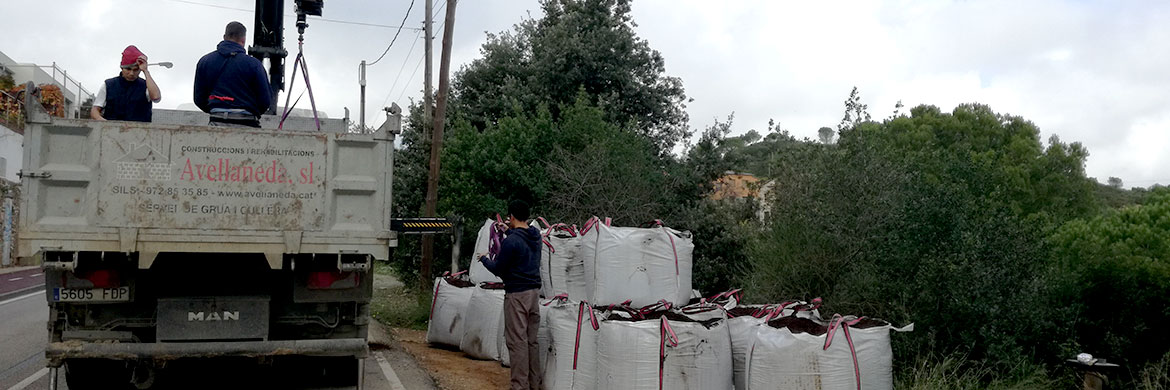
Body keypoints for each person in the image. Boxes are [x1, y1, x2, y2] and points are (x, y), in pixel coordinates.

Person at [478, 200, 543, 390]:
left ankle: (519, 386)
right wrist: (508, 229)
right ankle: (534, 384)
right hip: (534, 294)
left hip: (517, 296)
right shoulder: (536, 235)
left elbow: (499, 269)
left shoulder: (511, 242)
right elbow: (520, 238)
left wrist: (484, 259)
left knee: (517, 342)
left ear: (512, 216)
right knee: (532, 342)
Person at [193, 21, 272, 128]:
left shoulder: (205, 61)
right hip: (247, 124)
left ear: (224, 37)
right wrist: (253, 111)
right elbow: (265, 100)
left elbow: (199, 98)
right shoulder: (254, 64)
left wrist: (214, 107)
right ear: (243, 39)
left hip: (216, 121)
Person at [90, 45, 161, 122]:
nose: (131, 73)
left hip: (139, 132)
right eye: (128, 69)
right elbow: (95, 110)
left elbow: (156, 97)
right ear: (122, 67)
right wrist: (105, 124)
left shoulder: (146, 85)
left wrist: (146, 71)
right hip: (112, 131)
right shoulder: (108, 85)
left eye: (136, 70)